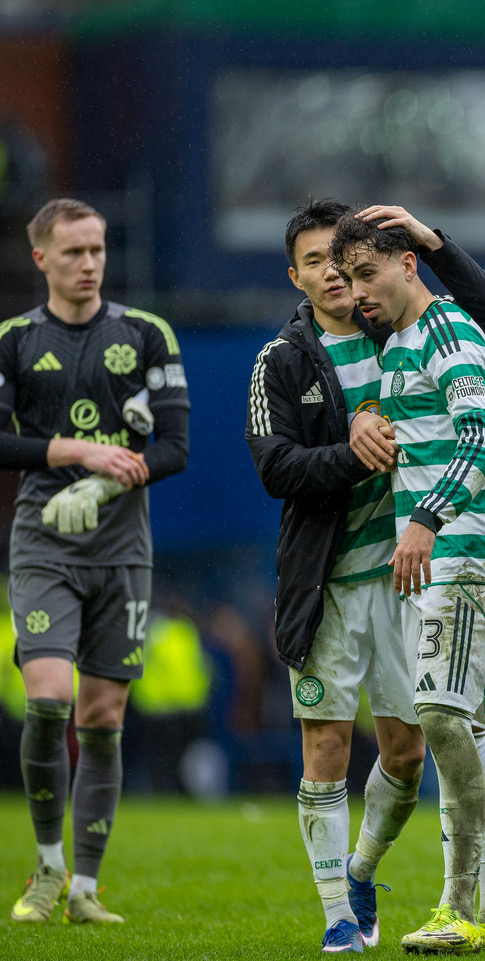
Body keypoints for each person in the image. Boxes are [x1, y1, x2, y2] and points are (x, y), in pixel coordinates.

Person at [246, 199, 485, 954]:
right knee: (334, 744)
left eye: (348, 265)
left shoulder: (401, 326)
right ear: (297, 275)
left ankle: (370, 872)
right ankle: (342, 919)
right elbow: (276, 468)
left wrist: (433, 241)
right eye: (319, 264)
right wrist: (352, 449)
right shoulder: (283, 359)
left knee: (419, 745)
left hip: (417, 565)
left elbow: (483, 317)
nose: (338, 279)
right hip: (331, 577)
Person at [328, 210, 485, 956]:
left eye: (368, 274)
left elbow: (480, 437)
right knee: (459, 728)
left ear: (408, 264)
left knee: (440, 717)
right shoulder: (399, 344)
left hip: (465, 550)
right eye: (348, 279)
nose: (357, 293)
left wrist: (425, 520)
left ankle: (456, 903)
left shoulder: (447, 329)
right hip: (437, 558)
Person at [6, 198, 190, 924]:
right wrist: (79, 453)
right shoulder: (14, 340)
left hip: (121, 546)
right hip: (43, 539)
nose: (89, 264)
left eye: (98, 250)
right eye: (73, 252)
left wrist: (110, 478)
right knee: (50, 698)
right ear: (41, 258)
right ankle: (47, 867)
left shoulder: (146, 333)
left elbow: (175, 448)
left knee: (103, 713)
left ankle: (84, 887)